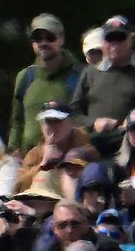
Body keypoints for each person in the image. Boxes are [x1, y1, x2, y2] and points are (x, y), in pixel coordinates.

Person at [72, 15, 135, 138]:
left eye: (120, 37)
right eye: (109, 38)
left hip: (132, 141)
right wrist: (93, 123)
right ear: (103, 42)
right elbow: (74, 113)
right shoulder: (89, 73)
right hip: (96, 142)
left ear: (131, 40)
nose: (115, 44)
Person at [9, 14, 82, 152]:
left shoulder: (80, 75)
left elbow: (84, 119)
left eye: (50, 37)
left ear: (61, 39)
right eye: (38, 38)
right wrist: (13, 149)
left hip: (68, 158)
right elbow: (17, 121)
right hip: (30, 158)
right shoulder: (25, 76)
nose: (43, 43)